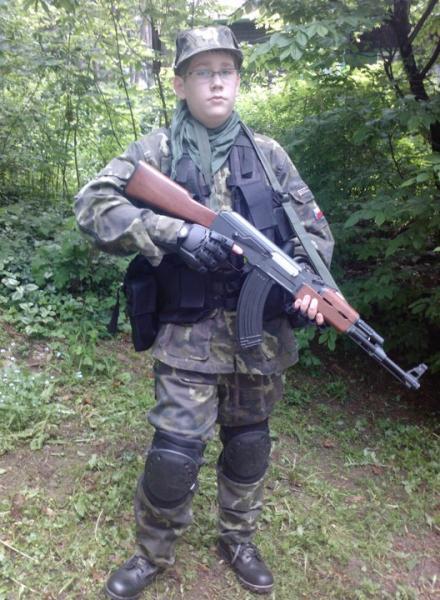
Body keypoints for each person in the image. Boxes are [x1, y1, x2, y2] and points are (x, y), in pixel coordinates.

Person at [74, 25, 334, 599]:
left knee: (248, 444)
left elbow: (314, 234)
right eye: (203, 72)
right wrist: (174, 233)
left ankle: (238, 540)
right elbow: (92, 205)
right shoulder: (157, 151)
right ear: (180, 84)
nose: (217, 82)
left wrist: (308, 283)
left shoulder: (269, 155)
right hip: (187, 336)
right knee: (174, 455)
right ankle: (152, 553)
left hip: (259, 338)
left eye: (226, 72)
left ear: (238, 80)